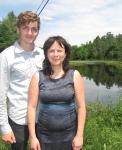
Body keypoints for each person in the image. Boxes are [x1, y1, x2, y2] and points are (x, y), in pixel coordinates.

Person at [27, 36, 86, 150]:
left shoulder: (74, 75)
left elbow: (81, 107)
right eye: (51, 51)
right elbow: (32, 107)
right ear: (46, 53)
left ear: (65, 53)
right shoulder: (38, 76)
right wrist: (33, 137)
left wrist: (79, 135)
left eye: (59, 50)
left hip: (69, 135)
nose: (56, 54)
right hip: (44, 136)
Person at [0, 11, 44, 150]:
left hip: (42, 118)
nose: (29, 33)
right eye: (25, 28)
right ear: (18, 29)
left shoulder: (43, 55)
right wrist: (4, 127)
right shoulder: (6, 56)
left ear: (38, 31)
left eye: (34, 29)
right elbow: (1, 94)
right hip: (18, 120)